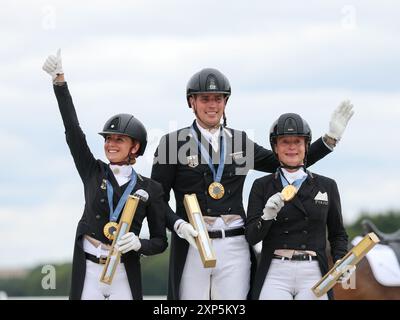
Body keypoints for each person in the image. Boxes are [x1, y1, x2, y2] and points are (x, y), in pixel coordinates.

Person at [151, 67, 354, 300]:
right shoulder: (172, 144)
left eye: (218, 99)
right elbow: (158, 198)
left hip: (234, 242)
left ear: (225, 102)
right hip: (193, 240)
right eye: (205, 99)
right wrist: (177, 225)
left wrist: (328, 140)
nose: (212, 105)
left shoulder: (239, 142)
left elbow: (286, 160)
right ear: (192, 102)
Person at [42, 49, 167, 300]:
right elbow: (73, 132)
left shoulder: (150, 188)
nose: (110, 144)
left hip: (123, 272)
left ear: (135, 147)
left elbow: (160, 241)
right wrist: (60, 83)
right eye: (108, 139)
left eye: (119, 139)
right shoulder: (93, 171)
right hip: (88, 270)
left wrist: (140, 244)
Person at [245, 113, 350, 300]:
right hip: (275, 270)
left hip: (313, 270)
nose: (292, 147)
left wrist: (342, 260)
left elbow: (338, 233)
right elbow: (252, 236)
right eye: (285, 142)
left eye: (297, 142)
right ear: (275, 147)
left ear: (306, 146)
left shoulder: (327, 185)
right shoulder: (262, 185)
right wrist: (267, 216)